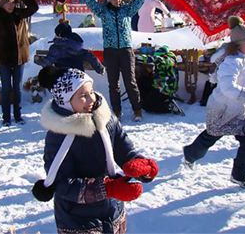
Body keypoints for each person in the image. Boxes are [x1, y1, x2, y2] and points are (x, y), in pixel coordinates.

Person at [32, 66, 158, 233]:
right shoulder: (59, 135)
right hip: (77, 220)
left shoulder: (106, 119)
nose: (91, 100)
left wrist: (138, 163)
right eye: (83, 96)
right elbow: (63, 184)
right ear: (66, 102)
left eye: (91, 92)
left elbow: (122, 146)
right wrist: (109, 188)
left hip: (112, 211)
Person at [183, 16, 245, 190]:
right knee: (211, 136)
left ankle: (239, 176)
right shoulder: (232, 62)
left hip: (241, 110)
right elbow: (227, 87)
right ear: (237, 45)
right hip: (223, 108)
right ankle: (189, 155)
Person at [85, 0, 146, 122]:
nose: (117, 0)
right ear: (109, 0)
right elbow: (90, 2)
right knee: (113, 84)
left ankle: (137, 110)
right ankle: (117, 111)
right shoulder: (104, 12)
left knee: (130, 82)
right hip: (110, 52)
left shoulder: (127, 10)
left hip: (126, 50)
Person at [0, 0, 39, 127]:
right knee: (6, 88)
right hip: (4, 57)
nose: (11, 5)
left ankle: (18, 115)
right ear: (1, 4)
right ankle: (6, 117)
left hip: (19, 56)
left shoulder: (19, 13)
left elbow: (33, 8)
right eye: (7, 3)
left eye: (12, 2)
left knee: (17, 88)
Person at [41, 21, 105, 74]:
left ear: (60, 35)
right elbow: (92, 58)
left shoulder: (56, 48)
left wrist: (42, 62)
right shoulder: (78, 47)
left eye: (56, 34)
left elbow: (46, 63)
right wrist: (100, 68)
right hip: (79, 76)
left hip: (63, 77)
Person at [137, 46, 184, 115]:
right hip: (158, 83)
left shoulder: (170, 59)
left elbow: (164, 60)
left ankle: (168, 107)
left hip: (166, 87)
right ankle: (143, 100)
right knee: (142, 80)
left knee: (147, 107)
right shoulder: (161, 60)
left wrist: (149, 58)